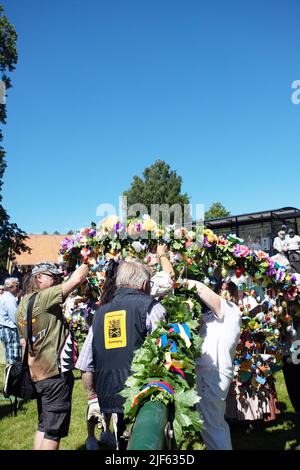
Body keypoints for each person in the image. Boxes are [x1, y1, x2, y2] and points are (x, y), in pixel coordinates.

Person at [76, 245, 173, 450]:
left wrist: (92, 396)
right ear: (145, 284)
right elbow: (167, 354)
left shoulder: (100, 313)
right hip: (145, 397)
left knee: (123, 443)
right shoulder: (151, 307)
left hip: (110, 395)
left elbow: (85, 364)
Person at [16, 261, 89, 450]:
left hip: (38, 374)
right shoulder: (44, 297)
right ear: (39, 277)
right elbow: (77, 279)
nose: (56, 280)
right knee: (53, 433)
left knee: (44, 426)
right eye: (53, 276)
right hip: (54, 375)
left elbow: (24, 340)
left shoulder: (23, 303)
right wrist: (86, 261)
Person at [185, 278, 242, 450]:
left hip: (212, 373)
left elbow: (201, 289)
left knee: (212, 426)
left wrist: (179, 280)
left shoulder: (229, 309)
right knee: (211, 423)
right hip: (212, 372)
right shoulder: (218, 317)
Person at [0, 278, 22, 365]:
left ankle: (10, 375)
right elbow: (15, 317)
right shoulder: (10, 299)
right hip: (10, 330)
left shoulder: (3, 297)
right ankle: (13, 377)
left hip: (4, 328)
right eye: (17, 286)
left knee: (9, 356)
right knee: (14, 359)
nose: (18, 288)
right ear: (10, 288)